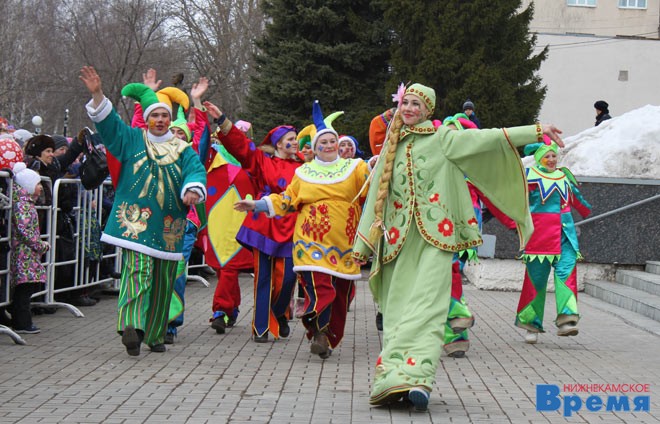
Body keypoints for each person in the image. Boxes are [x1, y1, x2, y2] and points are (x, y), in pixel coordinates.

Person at [352, 83, 564, 411]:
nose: (407, 108)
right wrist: (362, 246)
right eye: (404, 102)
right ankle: (389, 380)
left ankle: (418, 376)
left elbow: (487, 138)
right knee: (396, 311)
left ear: (428, 110)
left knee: (429, 306)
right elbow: (373, 205)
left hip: (436, 238)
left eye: (415, 104)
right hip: (396, 244)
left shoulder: (443, 139)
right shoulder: (391, 147)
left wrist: (536, 130)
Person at [79, 66, 207, 356]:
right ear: (147, 120)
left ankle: (156, 333)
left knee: (163, 279)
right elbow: (109, 124)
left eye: (164, 116)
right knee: (137, 271)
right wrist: (98, 94)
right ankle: (132, 328)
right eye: (155, 116)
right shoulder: (133, 140)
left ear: (169, 119)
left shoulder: (182, 148)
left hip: (169, 223)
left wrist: (192, 189)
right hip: (135, 222)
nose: (160, 120)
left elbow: (196, 171)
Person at [234, 100, 372, 359]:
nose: (329, 146)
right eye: (323, 143)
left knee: (341, 293)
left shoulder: (356, 168)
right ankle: (319, 333)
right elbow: (285, 200)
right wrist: (256, 204)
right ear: (315, 148)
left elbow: (374, 188)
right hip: (310, 241)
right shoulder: (304, 172)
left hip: (344, 243)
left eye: (332, 142)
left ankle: (324, 333)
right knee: (321, 287)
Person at [204, 101, 302, 343]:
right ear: (278, 143)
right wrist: (222, 120)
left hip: (291, 226)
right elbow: (241, 146)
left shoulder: (304, 168)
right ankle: (260, 328)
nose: (295, 141)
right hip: (263, 224)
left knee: (289, 278)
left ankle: (278, 313)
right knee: (263, 278)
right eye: (290, 138)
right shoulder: (262, 161)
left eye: (296, 137)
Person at [515, 140, 592, 344]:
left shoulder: (563, 176)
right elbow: (516, 200)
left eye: (554, 156)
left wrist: (585, 209)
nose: (551, 160)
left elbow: (576, 199)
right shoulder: (530, 177)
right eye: (547, 156)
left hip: (565, 236)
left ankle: (567, 319)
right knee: (536, 282)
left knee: (567, 274)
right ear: (539, 158)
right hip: (539, 238)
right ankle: (531, 324)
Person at [10, 162, 50, 334]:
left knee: (27, 286)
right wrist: (39, 245)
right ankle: (22, 322)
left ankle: (20, 319)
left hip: (27, 253)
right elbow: (24, 230)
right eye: (37, 184)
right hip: (24, 253)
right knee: (24, 288)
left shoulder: (26, 203)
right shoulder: (23, 205)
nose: (40, 187)